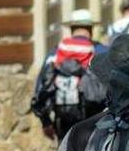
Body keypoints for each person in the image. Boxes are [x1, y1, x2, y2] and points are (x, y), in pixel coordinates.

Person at [31, 9, 109, 142]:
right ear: (91, 29)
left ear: (72, 29)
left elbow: (40, 89)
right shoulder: (102, 51)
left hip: (64, 122)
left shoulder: (55, 54)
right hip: (96, 123)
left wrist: (46, 122)